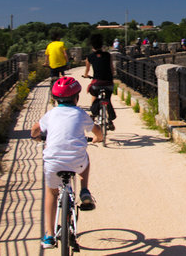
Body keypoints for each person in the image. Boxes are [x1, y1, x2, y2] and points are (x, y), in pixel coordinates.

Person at [31, 76, 103, 249]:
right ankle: (84, 190)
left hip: (53, 162)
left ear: (55, 99)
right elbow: (97, 131)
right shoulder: (81, 113)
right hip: (76, 161)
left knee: (51, 193)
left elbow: (34, 130)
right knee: (85, 159)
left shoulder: (50, 114)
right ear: (76, 98)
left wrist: (36, 137)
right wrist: (97, 138)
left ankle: (48, 235)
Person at [83, 33, 116, 129]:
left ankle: (93, 114)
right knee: (108, 98)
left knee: (94, 95)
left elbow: (87, 70)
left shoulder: (90, 57)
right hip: (108, 82)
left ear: (92, 45)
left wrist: (86, 75)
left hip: (97, 83)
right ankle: (110, 120)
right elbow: (112, 68)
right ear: (102, 45)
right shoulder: (108, 55)